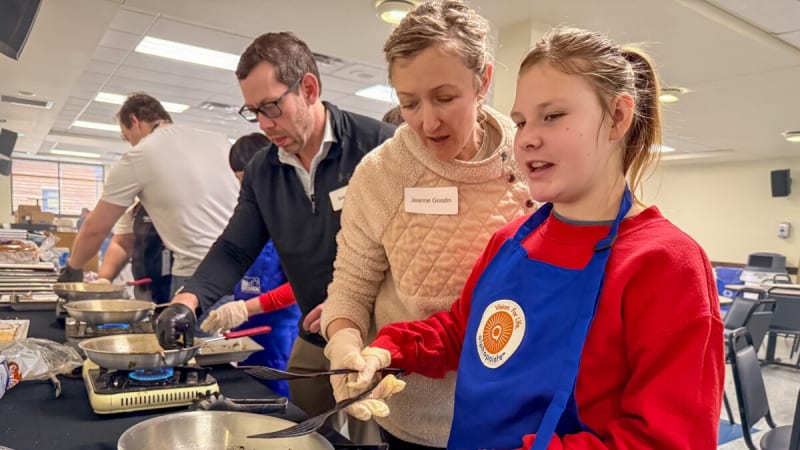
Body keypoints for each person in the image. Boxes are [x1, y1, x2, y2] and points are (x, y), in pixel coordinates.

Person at [339, 26, 725, 449]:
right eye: (521, 121)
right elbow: (465, 332)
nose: (527, 138)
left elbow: (669, 439)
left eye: (553, 116)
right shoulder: (512, 241)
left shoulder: (666, 264)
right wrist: (388, 352)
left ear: (618, 116)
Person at [153, 32, 395, 440]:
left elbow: (411, 250)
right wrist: (186, 302)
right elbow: (234, 246)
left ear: (309, 88)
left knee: (372, 431)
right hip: (313, 330)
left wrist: (351, 311)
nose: (265, 124)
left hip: (379, 335)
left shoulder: (379, 148)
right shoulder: (264, 171)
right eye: (254, 113)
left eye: (271, 107)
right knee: (302, 423)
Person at [319, 1, 533, 448]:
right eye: (409, 103)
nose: (427, 121)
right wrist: (343, 342)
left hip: (513, 410)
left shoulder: (530, 158)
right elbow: (352, 285)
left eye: (445, 97)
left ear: (483, 82)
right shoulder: (381, 175)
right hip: (412, 414)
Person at [58, 93, 239, 306]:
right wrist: (104, 279)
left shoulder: (141, 155)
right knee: (232, 340)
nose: (131, 145)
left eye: (127, 138)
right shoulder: (218, 140)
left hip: (197, 276)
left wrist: (73, 268)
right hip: (241, 270)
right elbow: (124, 239)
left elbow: (96, 228)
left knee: (192, 340)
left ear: (134, 121)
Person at [199, 132, 301, 398]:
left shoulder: (293, 220)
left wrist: (247, 308)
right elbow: (230, 261)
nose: (247, 190)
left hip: (280, 336)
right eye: (241, 182)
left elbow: (300, 287)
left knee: (278, 403)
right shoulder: (249, 220)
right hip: (245, 335)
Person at [95, 203, 173, 303]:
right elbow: (122, 243)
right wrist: (104, 280)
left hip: (184, 285)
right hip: (144, 287)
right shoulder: (133, 202)